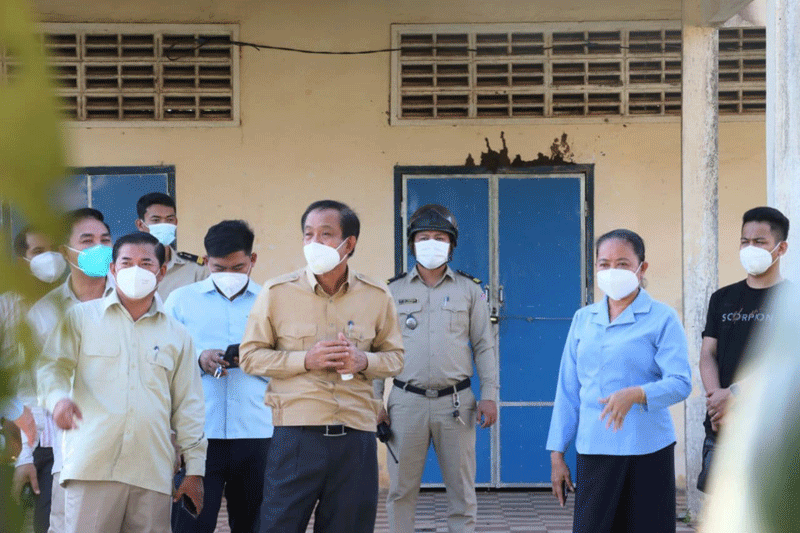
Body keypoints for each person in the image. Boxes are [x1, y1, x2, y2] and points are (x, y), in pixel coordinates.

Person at [240, 199, 404, 533]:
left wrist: (363, 360)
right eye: (308, 234)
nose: (315, 242)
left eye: (326, 234)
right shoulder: (277, 292)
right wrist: (305, 360)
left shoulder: (377, 295)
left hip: (355, 438)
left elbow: (396, 358)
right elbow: (250, 357)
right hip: (297, 437)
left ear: (349, 243)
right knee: (278, 527)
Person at [37, 232, 207, 533]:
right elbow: (52, 368)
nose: (135, 271)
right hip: (92, 468)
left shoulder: (177, 334)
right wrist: (58, 400)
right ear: (113, 269)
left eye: (146, 263)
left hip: (152, 472)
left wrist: (195, 470)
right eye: (127, 263)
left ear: (161, 272)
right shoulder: (80, 318)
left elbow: (189, 406)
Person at [547, 229, 691, 533]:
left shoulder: (662, 318)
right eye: (604, 264)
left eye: (623, 264)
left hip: (648, 449)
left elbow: (681, 382)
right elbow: (568, 390)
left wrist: (637, 393)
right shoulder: (583, 319)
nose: (612, 271)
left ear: (642, 268)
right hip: (595, 450)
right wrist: (557, 453)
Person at [376, 204, 497, 533]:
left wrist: (489, 395)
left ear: (451, 245)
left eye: (440, 237)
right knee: (400, 491)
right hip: (405, 402)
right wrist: (375, 403)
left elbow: (484, 345)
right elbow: (379, 349)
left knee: (462, 492)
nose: (431, 243)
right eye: (423, 237)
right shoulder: (392, 291)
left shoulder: (469, 290)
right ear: (412, 244)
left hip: (456, 404)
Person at [165, 220, 272, 533]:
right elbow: (161, 359)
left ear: (253, 260)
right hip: (198, 435)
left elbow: (288, 362)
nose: (228, 275)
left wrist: (252, 360)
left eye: (238, 267)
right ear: (206, 261)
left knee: (254, 524)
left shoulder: (271, 302)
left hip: (257, 432)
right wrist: (199, 359)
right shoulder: (180, 301)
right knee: (190, 524)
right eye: (218, 268)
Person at [21, 209, 115, 533]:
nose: (99, 248)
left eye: (105, 240)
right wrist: (26, 454)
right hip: (72, 451)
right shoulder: (45, 313)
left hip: (133, 451)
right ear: (65, 251)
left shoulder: (137, 301)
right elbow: (31, 386)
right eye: (87, 241)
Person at [697, 206, 789, 492]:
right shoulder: (722, 298)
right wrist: (717, 402)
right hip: (722, 425)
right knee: (723, 505)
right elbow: (707, 354)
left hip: (773, 428)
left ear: (781, 248)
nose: (750, 248)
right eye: (744, 241)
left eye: (759, 242)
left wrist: (734, 395)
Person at [135, 192, 208, 300]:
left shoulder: (196, 268)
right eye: (156, 220)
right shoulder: (126, 268)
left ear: (176, 222)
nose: (164, 224)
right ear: (140, 225)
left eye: (170, 220)